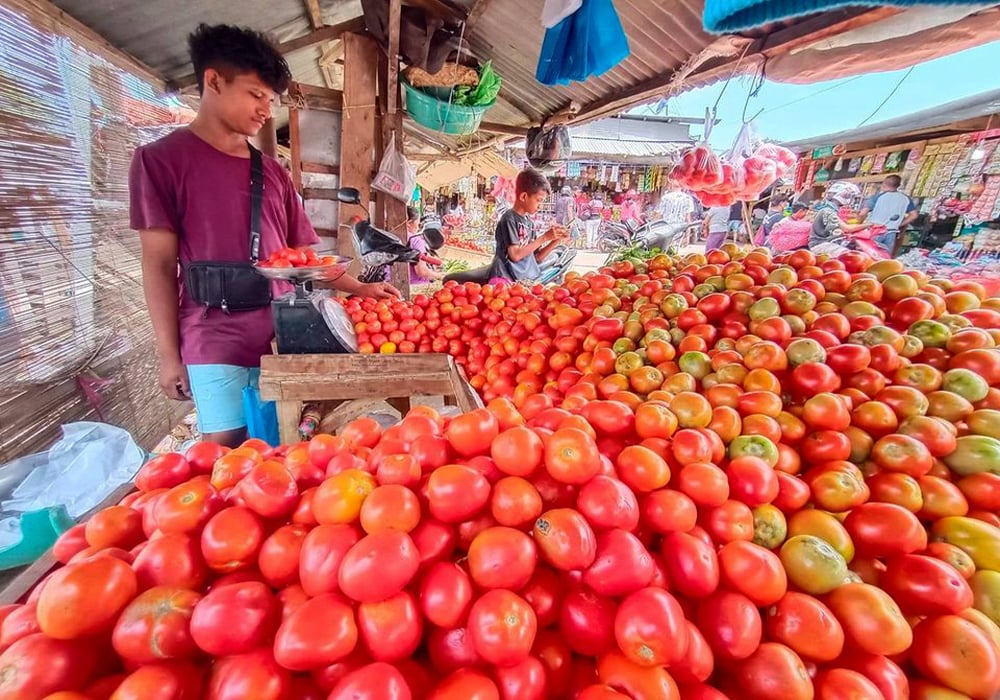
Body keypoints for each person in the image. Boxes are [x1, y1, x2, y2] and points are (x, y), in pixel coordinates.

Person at [130, 24, 398, 448]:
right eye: (256, 95)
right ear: (213, 81)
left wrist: (359, 287)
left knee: (288, 440)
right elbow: (158, 264)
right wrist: (168, 355)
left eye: (270, 101)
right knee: (225, 444)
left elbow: (305, 259)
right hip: (210, 331)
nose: (264, 110)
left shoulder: (271, 173)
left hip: (281, 333)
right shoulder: (160, 161)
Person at [489, 168, 568, 282]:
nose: (540, 206)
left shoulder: (529, 222)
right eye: (538, 200)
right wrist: (544, 237)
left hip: (523, 280)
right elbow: (515, 255)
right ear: (523, 197)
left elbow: (536, 258)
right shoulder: (509, 218)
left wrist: (556, 239)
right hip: (504, 279)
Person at [859, 174, 918, 254]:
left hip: (875, 230)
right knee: (884, 258)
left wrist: (857, 226)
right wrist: (900, 224)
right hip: (892, 233)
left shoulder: (878, 197)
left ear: (884, 183)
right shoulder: (906, 199)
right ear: (898, 185)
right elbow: (914, 215)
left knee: (868, 256)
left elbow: (863, 213)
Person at [809, 181, 868, 254]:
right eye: (848, 196)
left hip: (828, 242)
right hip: (821, 244)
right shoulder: (827, 210)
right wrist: (869, 225)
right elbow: (847, 228)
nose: (851, 199)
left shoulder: (830, 208)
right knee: (847, 254)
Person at [406, 207, 445, 284]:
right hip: (414, 286)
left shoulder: (390, 237)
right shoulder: (416, 240)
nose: (418, 227)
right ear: (409, 223)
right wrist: (439, 276)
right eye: (418, 224)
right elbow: (422, 272)